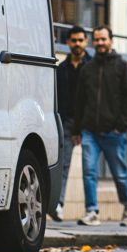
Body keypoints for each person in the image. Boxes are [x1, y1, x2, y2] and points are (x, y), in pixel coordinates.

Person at [69, 25, 127, 226]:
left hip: (113, 132)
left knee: (119, 173)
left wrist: (121, 126)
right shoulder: (87, 69)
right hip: (90, 131)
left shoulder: (122, 66)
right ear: (93, 42)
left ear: (110, 41)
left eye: (103, 39)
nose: (100, 43)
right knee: (89, 172)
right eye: (97, 39)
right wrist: (77, 129)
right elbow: (79, 101)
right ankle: (91, 211)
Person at [50, 25, 91, 222]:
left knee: (90, 168)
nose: (77, 44)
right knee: (63, 165)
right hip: (66, 121)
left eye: (80, 40)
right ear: (68, 43)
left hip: (90, 122)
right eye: (73, 40)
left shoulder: (92, 67)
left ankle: (93, 210)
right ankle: (58, 205)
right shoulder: (61, 69)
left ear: (86, 42)